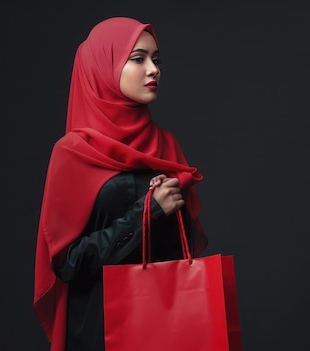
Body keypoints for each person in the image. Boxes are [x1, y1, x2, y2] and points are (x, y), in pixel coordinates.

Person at [33, 17, 208, 351]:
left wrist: (169, 206)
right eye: (138, 58)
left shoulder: (167, 144)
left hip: (164, 324)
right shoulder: (72, 152)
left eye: (156, 59)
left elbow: (179, 251)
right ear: (104, 66)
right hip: (99, 329)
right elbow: (67, 263)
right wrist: (149, 212)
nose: (153, 69)